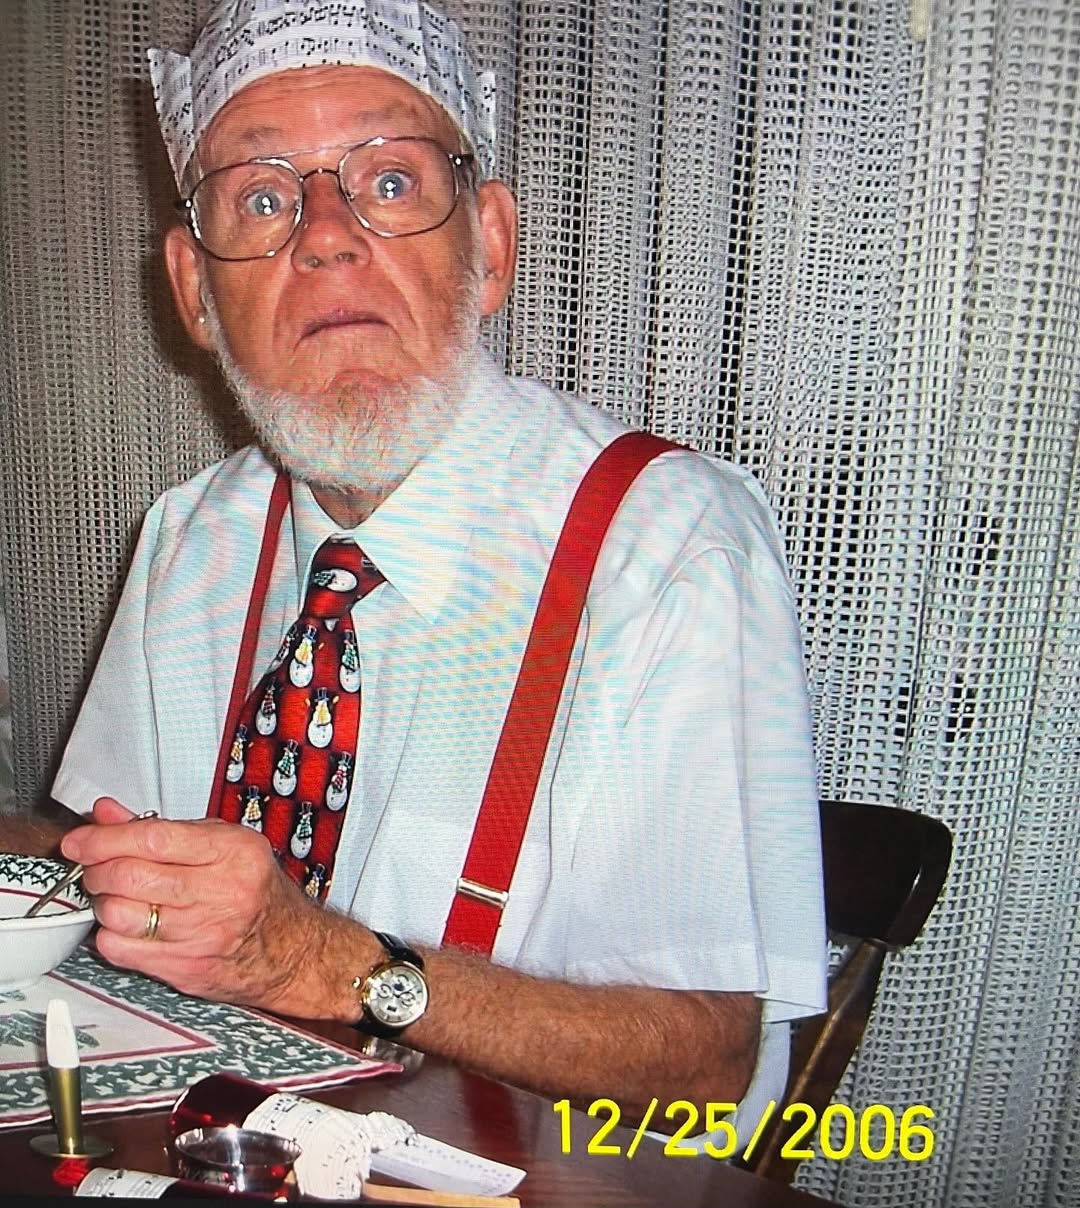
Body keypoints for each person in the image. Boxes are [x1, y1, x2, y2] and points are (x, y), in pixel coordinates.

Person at [48, 0, 826, 1144]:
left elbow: (707, 1061)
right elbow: (99, 864)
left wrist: (325, 962)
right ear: (195, 291)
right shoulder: (189, 534)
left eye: (390, 181)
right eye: (261, 198)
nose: (325, 236)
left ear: (491, 246)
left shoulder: (666, 544)